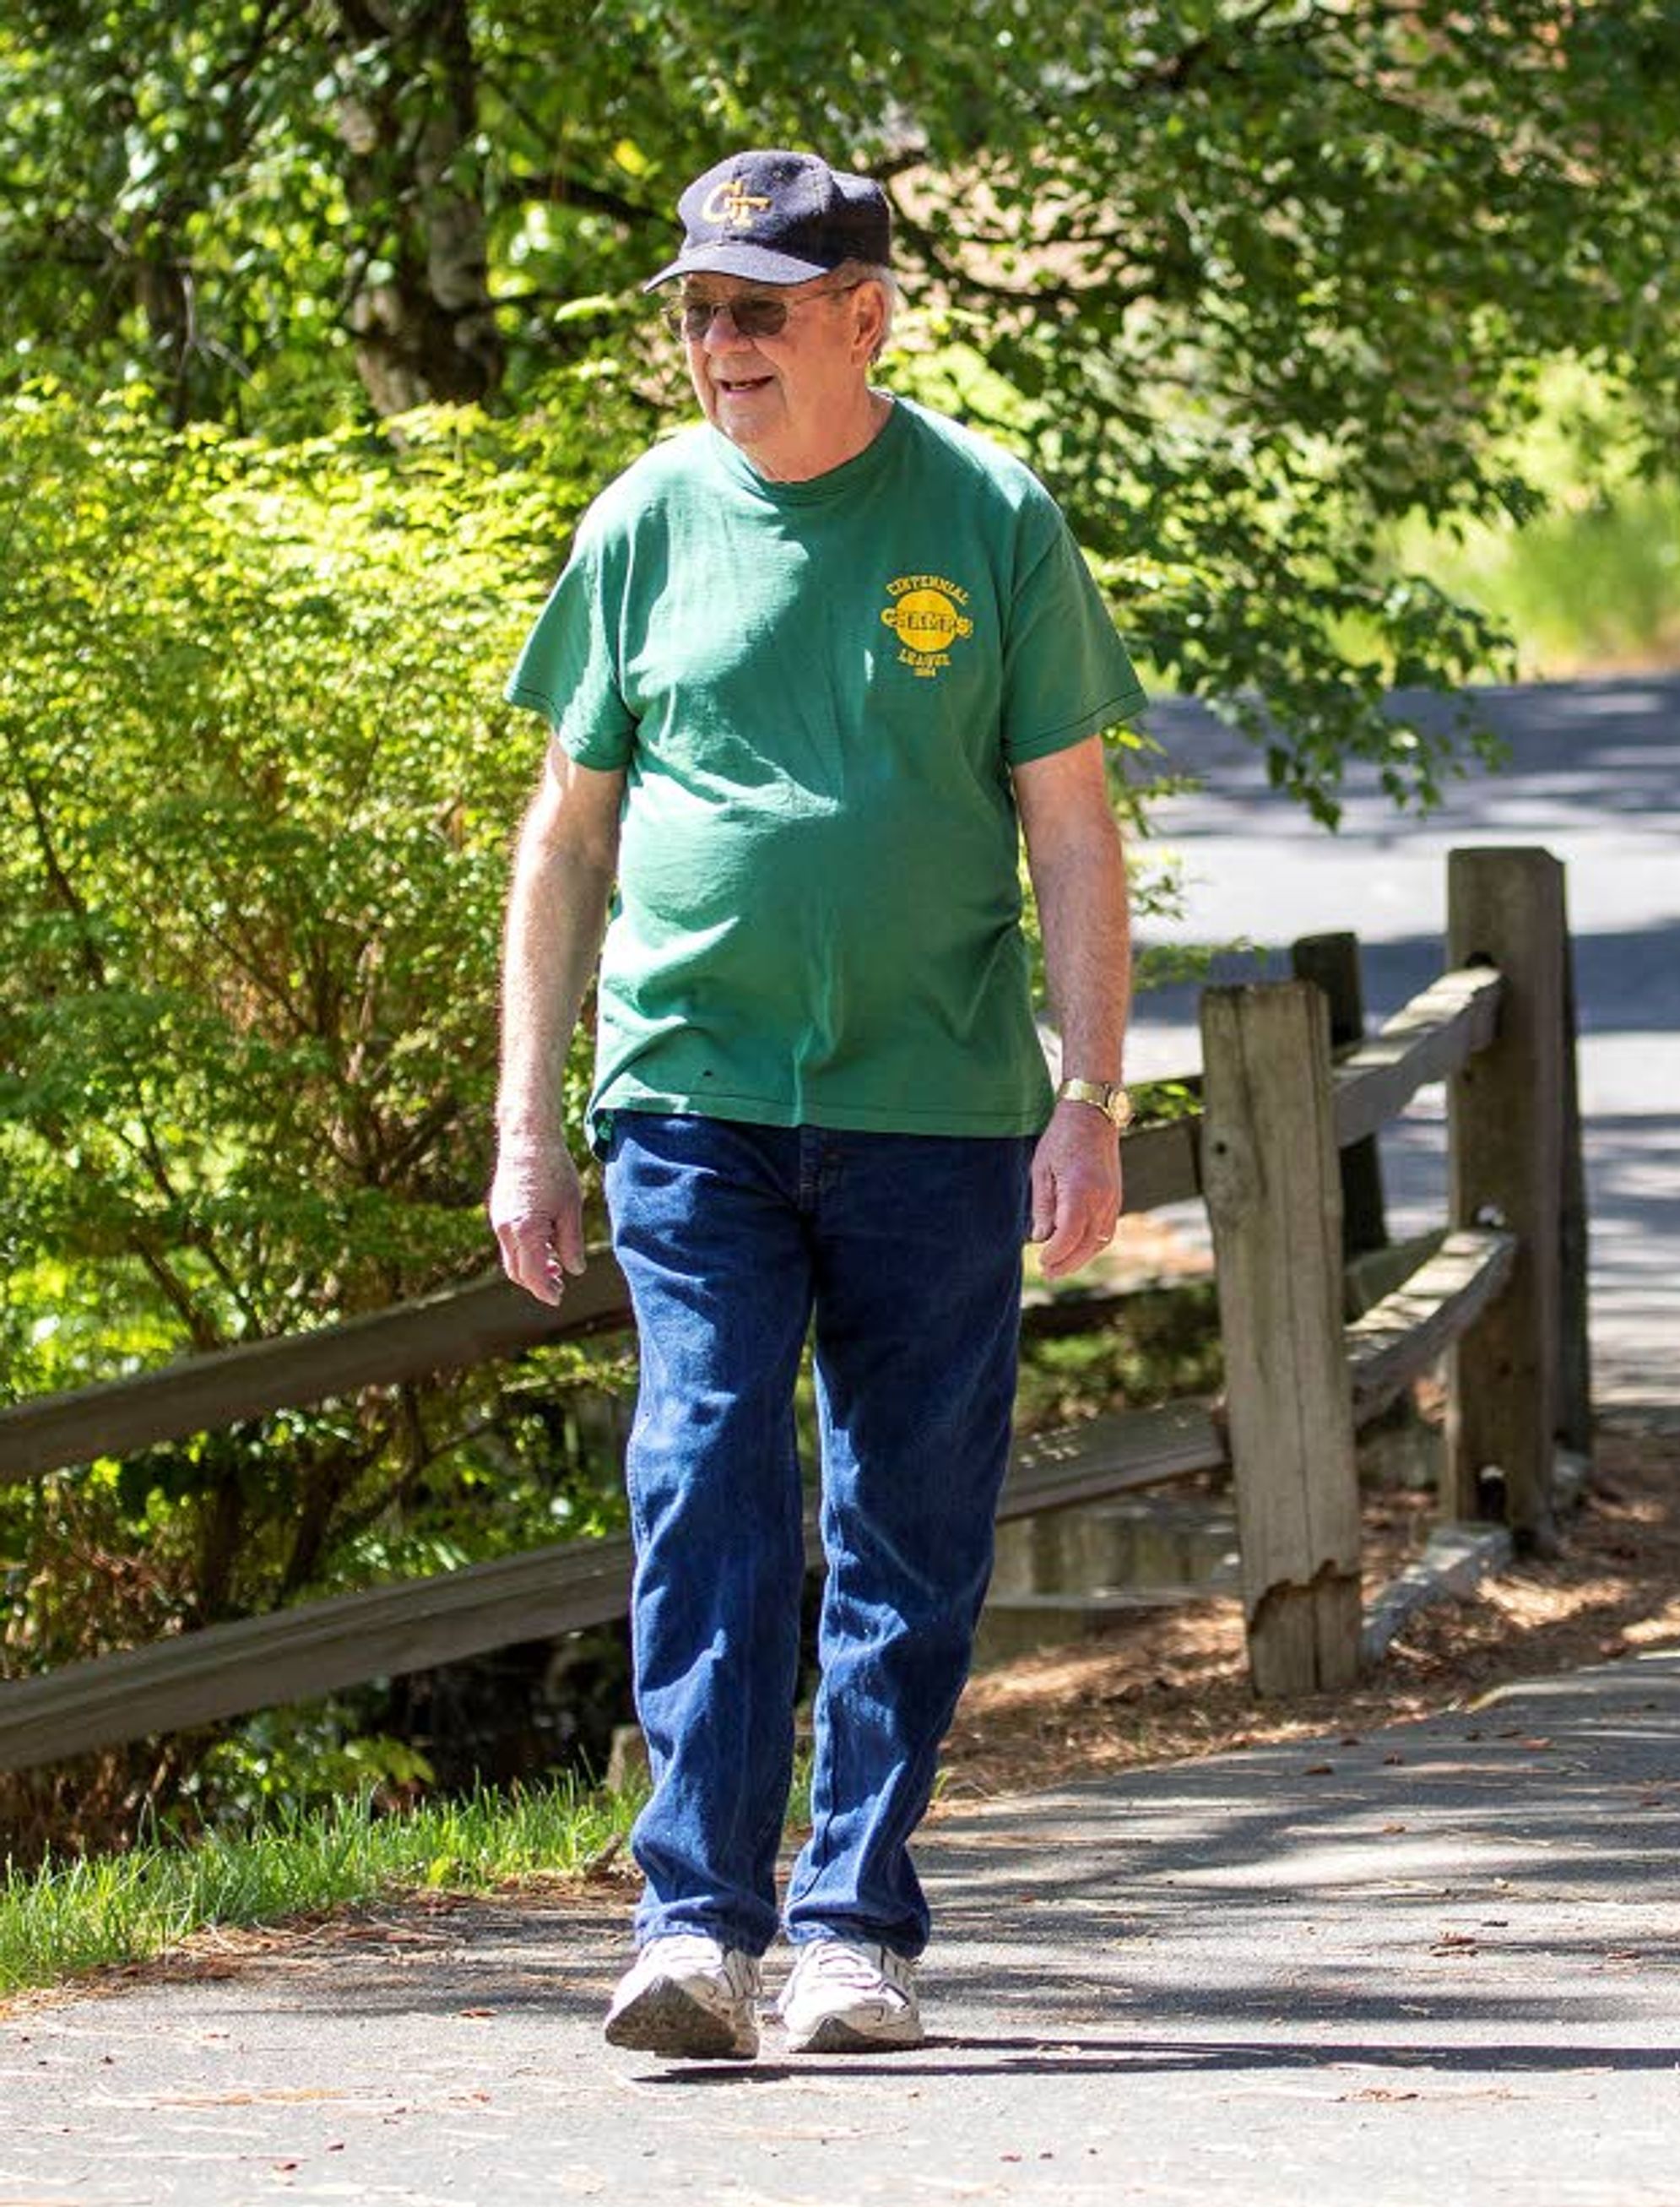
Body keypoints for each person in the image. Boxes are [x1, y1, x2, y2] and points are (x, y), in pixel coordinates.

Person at [485, 149, 1146, 2059]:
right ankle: (694, 1916)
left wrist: (1088, 1093)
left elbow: (1074, 837)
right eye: (697, 307)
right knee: (702, 1470)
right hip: (689, 1091)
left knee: (910, 1516)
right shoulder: (640, 524)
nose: (718, 342)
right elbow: (565, 840)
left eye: (757, 306)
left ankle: (855, 1920)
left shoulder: (990, 518)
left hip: (936, 1106)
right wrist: (529, 1117)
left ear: (866, 314)